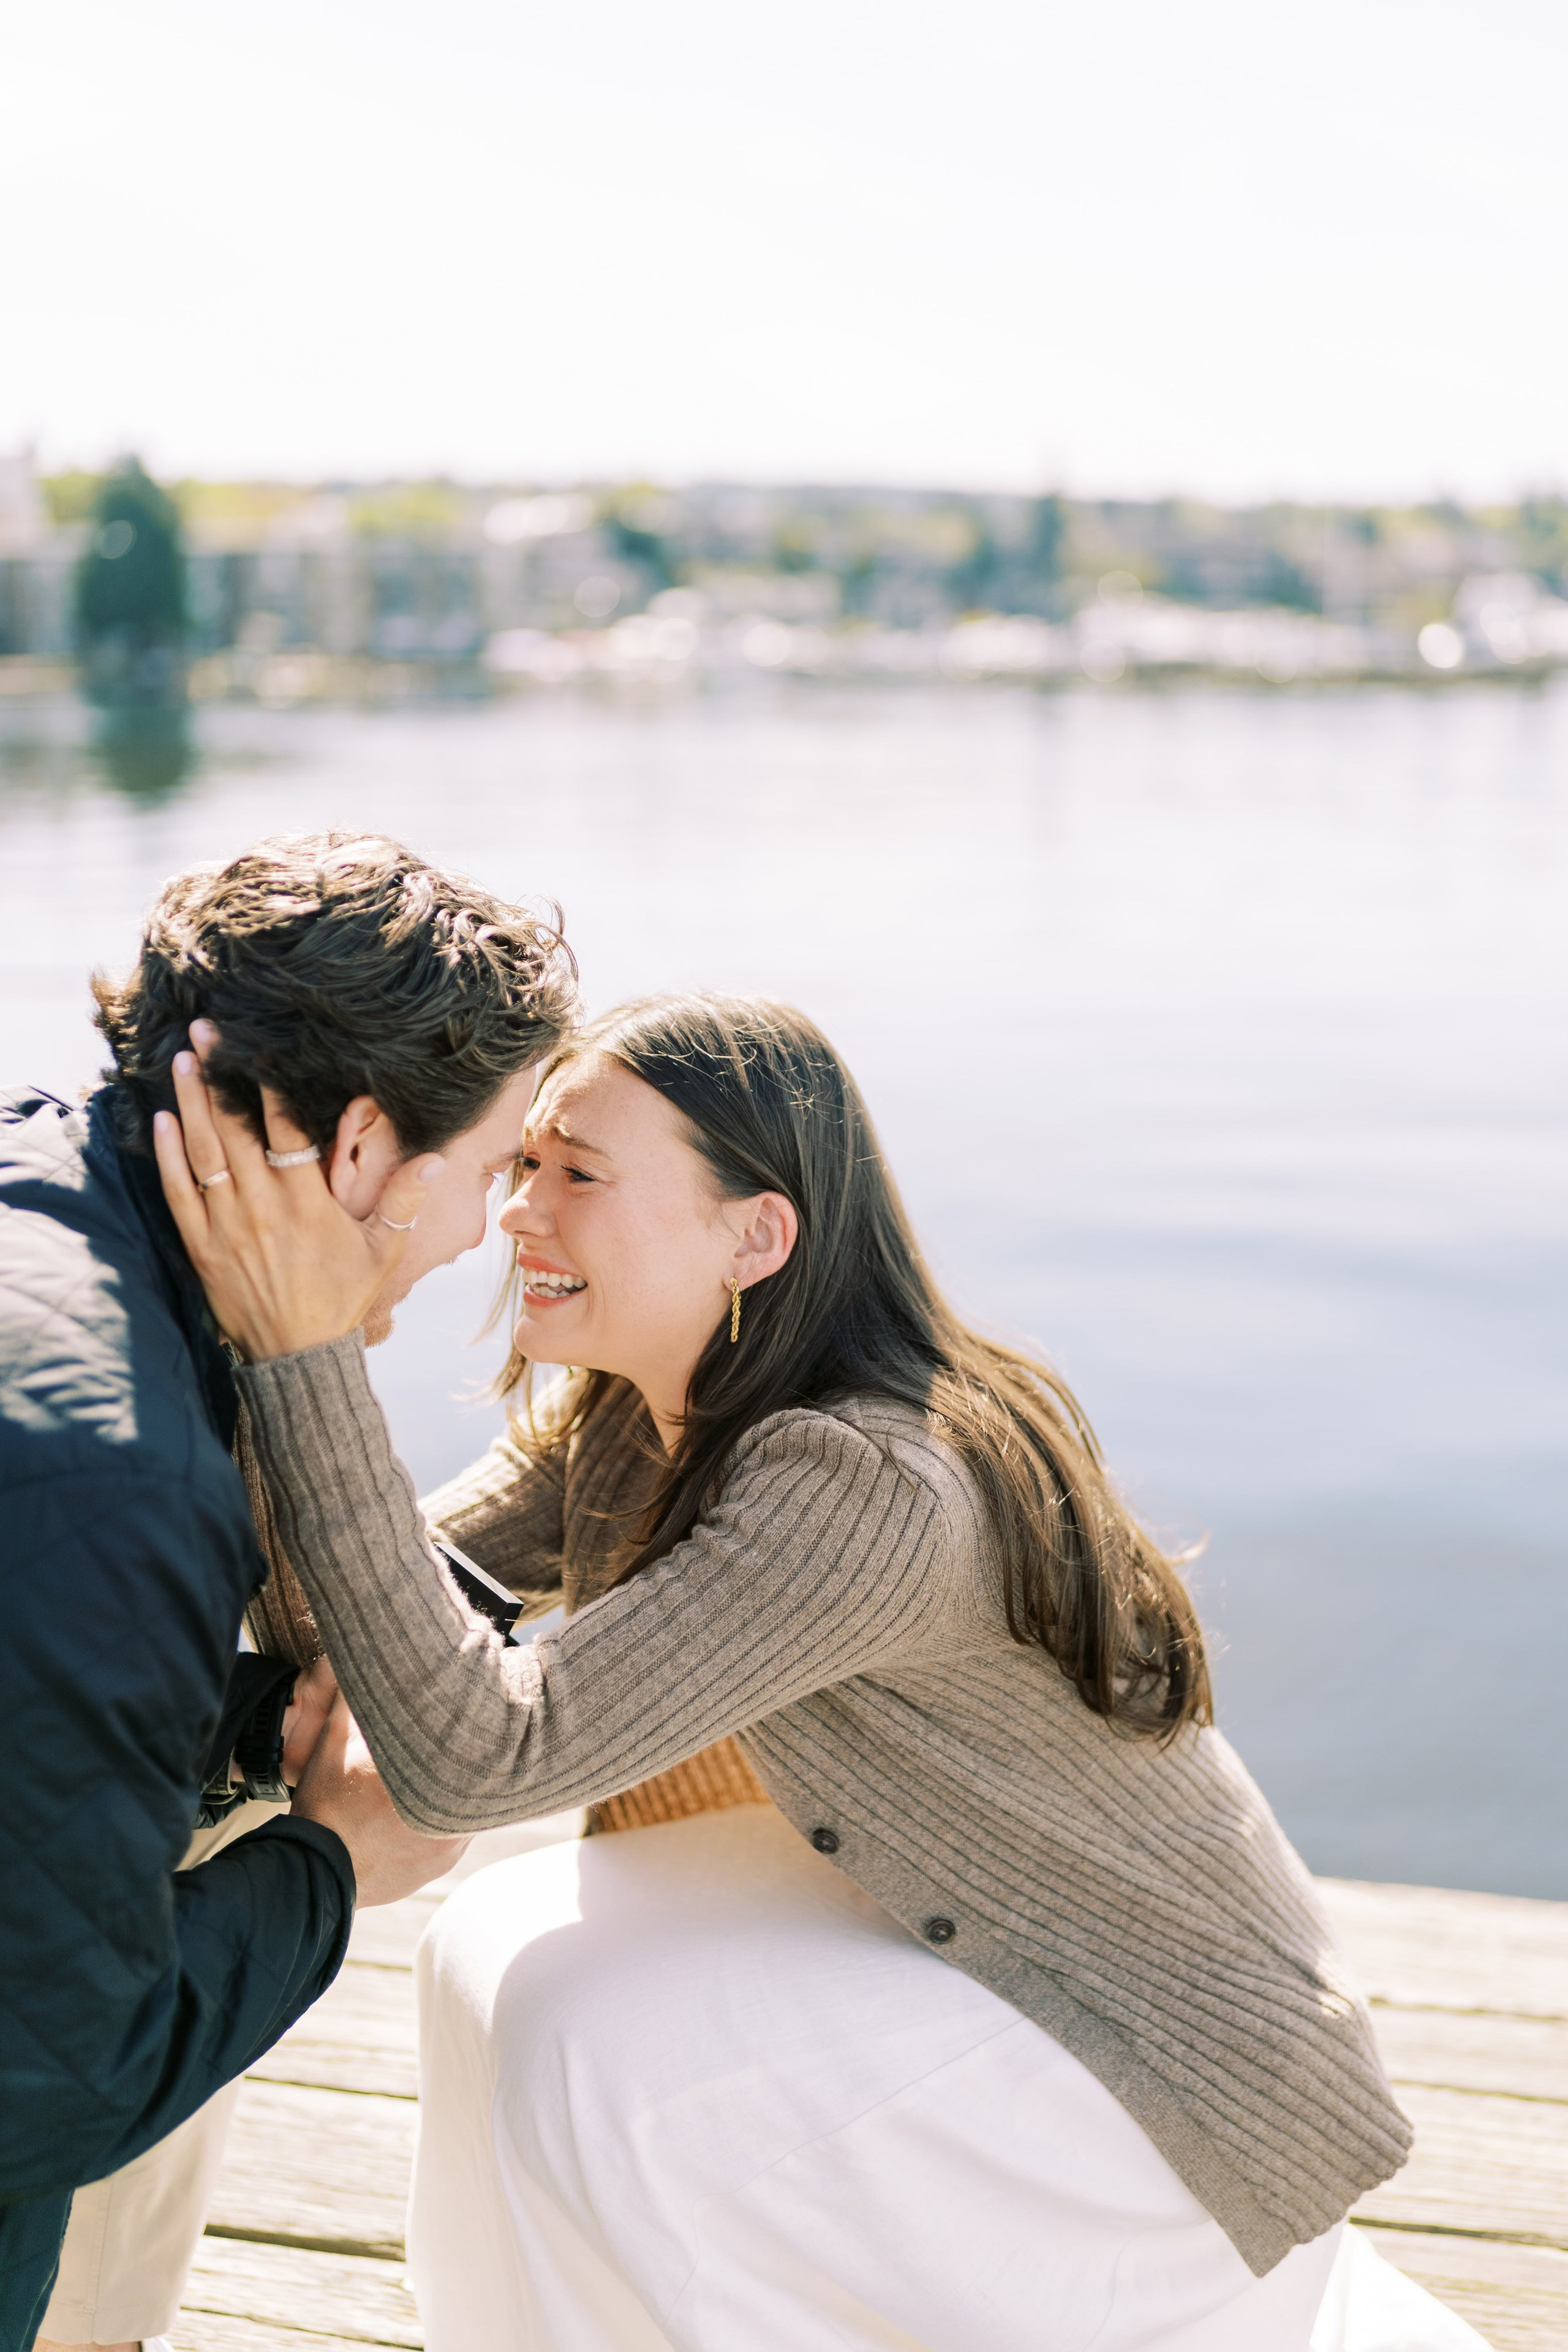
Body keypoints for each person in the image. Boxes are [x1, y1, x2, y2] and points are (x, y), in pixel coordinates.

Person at [156, 992, 1490, 2352]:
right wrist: (254, 1334)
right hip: (971, 1932)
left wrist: (304, 1350)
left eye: (580, 1176)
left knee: (582, 2034)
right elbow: (362, 1629)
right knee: (489, 1941)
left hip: (1164, 2081)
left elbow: (472, 1760)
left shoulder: (865, 1484)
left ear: (757, 1236)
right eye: (527, 1163)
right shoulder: (640, 1414)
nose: (516, 1212)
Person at [0, 832, 576, 2352]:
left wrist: (249, 1723)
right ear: (366, 1151)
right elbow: (51, 2082)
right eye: (495, 1169)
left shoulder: (46, 1191)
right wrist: (332, 1865)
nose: (487, 1231)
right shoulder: (121, 1477)